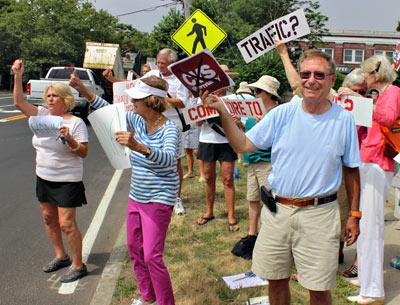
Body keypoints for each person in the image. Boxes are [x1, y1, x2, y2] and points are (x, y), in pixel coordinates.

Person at [201, 49, 361, 305]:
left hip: (320, 215)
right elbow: (243, 145)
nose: (311, 80)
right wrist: (221, 109)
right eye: (305, 73)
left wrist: (354, 215)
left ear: (332, 80)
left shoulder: (343, 120)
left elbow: (352, 170)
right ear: (299, 77)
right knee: (276, 279)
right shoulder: (281, 114)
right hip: (277, 212)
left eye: (319, 75)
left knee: (318, 288)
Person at [70, 73, 178, 305]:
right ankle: (147, 296)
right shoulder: (137, 120)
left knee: (152, 255)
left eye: (137, 99)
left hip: (158, 198)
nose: (132, 102)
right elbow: (110, 111)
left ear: (151, 101)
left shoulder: (170, 129)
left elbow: (169, 160)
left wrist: (137, 146)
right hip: (136, 196)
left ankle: (165, 302)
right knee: (134, 249)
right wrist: (83, 90)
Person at [12, 59, 89, 283]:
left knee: (66, 223)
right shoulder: (42, 115)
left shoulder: (76, 123)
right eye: (48, 95)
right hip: (43, 176)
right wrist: (17, 75)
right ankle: (61, 256)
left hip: (67, 179)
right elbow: (18, 102)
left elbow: (83, 153)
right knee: (48, 218)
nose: (50, 98)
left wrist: (70, 140)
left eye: (55, 95)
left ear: (66, 99)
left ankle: (78, 264)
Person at [347, 55, 400, 305]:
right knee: (366, 223)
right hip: (368, 160)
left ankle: (373, 289)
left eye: (366, 75)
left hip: (379, 163)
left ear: (376, 74)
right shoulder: (379, 96)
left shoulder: (393, 93)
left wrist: (359, 101)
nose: (364, 79)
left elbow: (388, 118)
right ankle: (367, 278)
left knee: (372, 227)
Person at [231, 76, 280, 260]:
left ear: (269, 94)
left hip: (267, 162)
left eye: (258, 91)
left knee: (269, 202)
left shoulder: (276, 112)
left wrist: (262, 125)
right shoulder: (256, 111)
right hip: (253, 161)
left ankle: (271, 238)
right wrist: (240, 125)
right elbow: (250, 136)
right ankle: (252, 236)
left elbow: (277, 139)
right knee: (252, 199)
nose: (255, 94)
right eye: (254, 91)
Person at [144, 48, 190, 216]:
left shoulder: (180, 79)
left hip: (173, 123)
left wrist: (160, 98)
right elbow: (133, 85)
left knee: (175, 161)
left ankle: (177, 199)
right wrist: (111, 78)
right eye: (158, 62)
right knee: (152, 158)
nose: (159, 65)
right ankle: (157, 194)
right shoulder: (153, 75)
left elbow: (182, 102)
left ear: (172, 64)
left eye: (163, 63)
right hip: (153, 122)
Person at [196, 65, 241, 232]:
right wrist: (203, 106)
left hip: (227, 142)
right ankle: (209, 211)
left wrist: (237, 122)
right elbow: (198, 123)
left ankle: (231, 215)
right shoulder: (202, 98)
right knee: (208, 178)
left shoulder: (234, 99)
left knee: (228, 179)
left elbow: (241, 125)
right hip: (207, 140)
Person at [337, 68, 368, 278]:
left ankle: (359, 260)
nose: (362, 95)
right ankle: (337, 250)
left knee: (360, 212)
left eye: (365, 92)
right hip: (340, 162)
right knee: (340, 207)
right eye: (358, 90)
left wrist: (358, 99)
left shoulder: (366, 106)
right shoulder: (337, 102)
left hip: (363, 163)